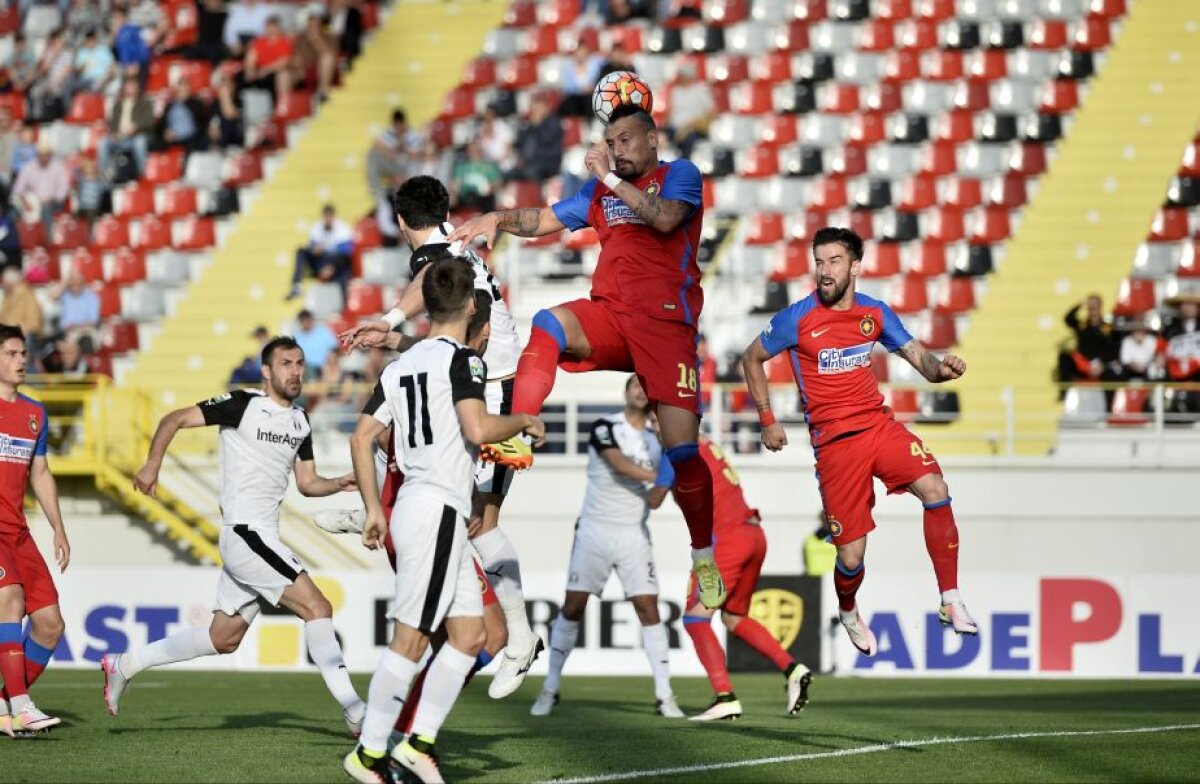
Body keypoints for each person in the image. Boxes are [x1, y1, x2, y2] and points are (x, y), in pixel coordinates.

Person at [447, 104, 726, 610]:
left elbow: (665, 220)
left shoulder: (679, 175)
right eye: (611, 141)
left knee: (684, 455)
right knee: (549, 323)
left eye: (625, 139)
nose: (617, 149)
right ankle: (519, 431)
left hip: (667, 328)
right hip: (614, 315)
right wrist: (498, 218)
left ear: (652, 139)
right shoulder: (600, 190)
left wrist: (608, 180)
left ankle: (703, 554)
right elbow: (545, 218)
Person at [340, 176, 542, 700]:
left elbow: (425, 282)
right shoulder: (455, 241)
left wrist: (387, 318)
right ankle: (378, 508)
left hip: (493, 388)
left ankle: (520, 638)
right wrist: (395, 337)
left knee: (479, 522)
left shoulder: (433, 252)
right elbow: (446, 327)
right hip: (478, 377)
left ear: (402, 221)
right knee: (422, 459)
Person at [102, 336, 366, 734]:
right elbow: (173, 418)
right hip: (246, 534)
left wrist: (340, 482)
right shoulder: (242, 404)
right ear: (266, 371)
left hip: (260, 538)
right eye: (285, 363)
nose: (295, 371)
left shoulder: (300, 419)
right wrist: (152, 465)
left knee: (223, 638)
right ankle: (355, 709)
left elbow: (308, 483)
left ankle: (125, 664)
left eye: (299, 363)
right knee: (318, 607)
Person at [740, 227, 977, 658]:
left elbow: (924, 365)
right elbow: (750, 356)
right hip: (834, 445)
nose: (824, 271)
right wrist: (767, 418)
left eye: (833, 261)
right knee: (850, 557)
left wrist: (947, 368)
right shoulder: (798, 317)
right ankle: (848, 609)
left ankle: (950, 597)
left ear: (855, 267)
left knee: (936, 489)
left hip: (877, 426)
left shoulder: (876, 313)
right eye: (818, 261)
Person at [530, 376, 682, 719]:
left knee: (648, 608)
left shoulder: (658, 444)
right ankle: (550, 688)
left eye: (646, 386)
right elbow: (617, 463)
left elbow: (656, 501)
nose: (641, 391)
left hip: (633, 534)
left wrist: (669, 468)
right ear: (625, 392)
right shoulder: (604, 426)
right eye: (635, 386)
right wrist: (663, 475)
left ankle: (664, 695)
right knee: (573, 606)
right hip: (594, 531)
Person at [682, 437, 812, 721]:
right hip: (752, 533)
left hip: (727, 536)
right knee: (734, 617)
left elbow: (655, 494)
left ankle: (724, 696)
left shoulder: (678, 447)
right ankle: (792, 669)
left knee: (695, 619)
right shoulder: (704, 442)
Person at [0, 324, 70, 736]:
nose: (22, 360)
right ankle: (23, 707)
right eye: (11, 353)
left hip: (19, 532)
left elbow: (40, 473)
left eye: (23, 353)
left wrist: (58, 528)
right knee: (9, 597)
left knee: (49, 625)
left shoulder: (34, 413)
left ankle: (6, 703)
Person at [289, 204, 354, 300]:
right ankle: (297, 285)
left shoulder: (342, 228)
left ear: (333, 216)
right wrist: (315, 249)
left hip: (336, 263)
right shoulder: (317, 226)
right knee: (301, 251)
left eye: (329, 216)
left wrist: (332, 266)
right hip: (321, 260)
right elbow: (312, 245)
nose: (327, 219)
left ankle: (343, 302)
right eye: (325, 216)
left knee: (343, 261)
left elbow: (346, 252)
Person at [99, 79, 156, 180]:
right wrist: (114, 133)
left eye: (132, 86)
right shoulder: (117, 106)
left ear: (137, 88)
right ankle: (103, 175)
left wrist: (136, 127)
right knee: (103, 143)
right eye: (128, 87)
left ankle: (141, 175)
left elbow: (150, 122)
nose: (130, 89)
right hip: (120, 138)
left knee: (140, 142)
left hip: (136, 136)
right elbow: (112, 125)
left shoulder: (145, 103)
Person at [508, 92, 563, 182]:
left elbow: (546, 139)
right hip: (528, 163)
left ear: (546, 107)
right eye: (535, 106)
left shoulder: (553, 121)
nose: (536, 109)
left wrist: (537, 124)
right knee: (509, 175)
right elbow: (521, 143)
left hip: (547, 163)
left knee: (530, 173)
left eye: (539, 106)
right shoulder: (529, 124)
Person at [449, 139, 502, 213]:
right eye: (471, 150)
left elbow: (497, 183)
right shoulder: (462, 167)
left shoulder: (489, 166)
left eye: (477, 150)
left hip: (484, 198)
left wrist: (489, 189)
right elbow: (455, 184)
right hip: (464, 197)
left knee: (488, 201)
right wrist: (454, 193)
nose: (474, 153)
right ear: (467, 152)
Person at [294, 309, 339, 379]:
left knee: (331, 362)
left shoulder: (323, 331)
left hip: (324, 366)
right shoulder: (297, 337)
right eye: (303, 320)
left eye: (307, 320)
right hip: (307, 368)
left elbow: (334, 348)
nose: (306, 323)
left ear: (311, 320)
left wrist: (329, 360)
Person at [54, 269, 101, 337]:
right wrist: (65, 282)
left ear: (83, 283)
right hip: (64, 332)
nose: (75, 287)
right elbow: (54, 296)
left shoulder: (91, 297)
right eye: (72, 284)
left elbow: (93, 321)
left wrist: (75, 327)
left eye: (78, 284)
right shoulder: (65, 294)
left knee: (85, 341)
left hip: (84, 332)